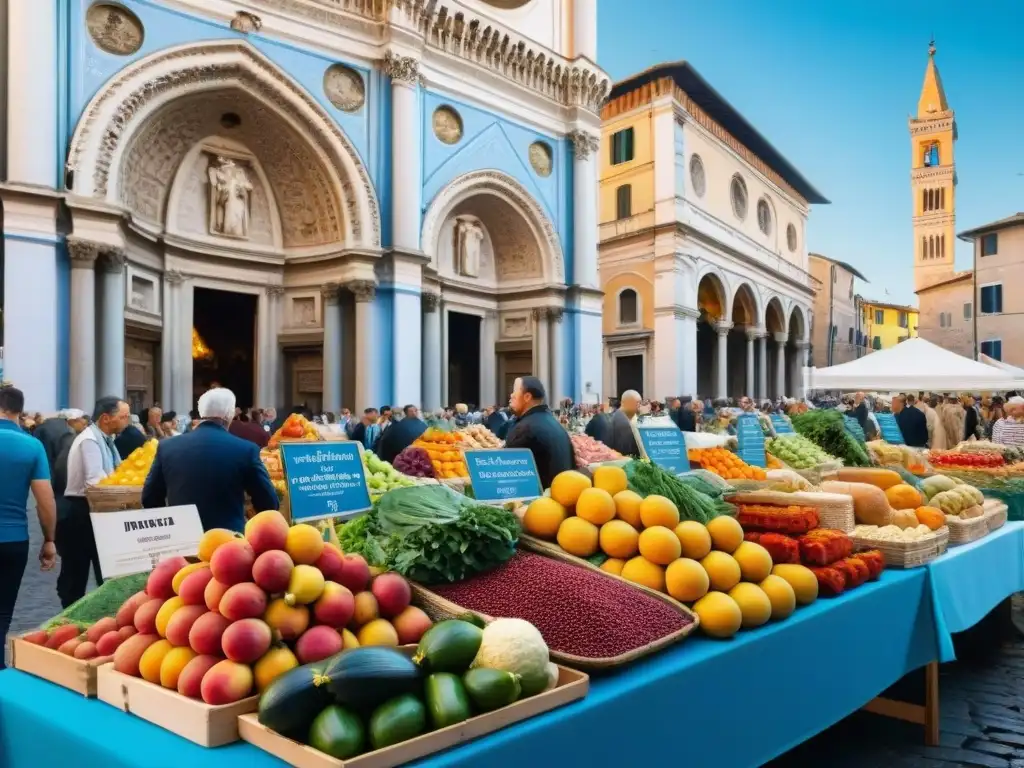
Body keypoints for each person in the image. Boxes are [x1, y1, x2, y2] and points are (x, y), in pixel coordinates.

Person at [143, 388, 278, 532]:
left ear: (202, 413)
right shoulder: (246, 449)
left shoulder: (167, 446)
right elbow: (268, 503)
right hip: (228, 542)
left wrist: (170, 528)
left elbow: (149, 499)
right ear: (229, 414)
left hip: (181, 540)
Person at [0, 387, 57, 668]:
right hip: (13, 539)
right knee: (2, 614)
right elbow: (45, 502)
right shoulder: (31, 445)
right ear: (19, 412)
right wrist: (49, 540)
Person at [60, 395, 131, 607]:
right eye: (123, 416)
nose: (127, 421)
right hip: (83, 511)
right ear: (106, 418)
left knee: (105, 569)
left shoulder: (106, 440)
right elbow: (96, 481)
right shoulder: (90, 440)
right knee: (77, 572)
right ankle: (70, 619)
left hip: (97, 509)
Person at [504, 377, 575, 489]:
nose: (511, 396)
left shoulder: (524, 429)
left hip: (539, 503)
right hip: (559, 497)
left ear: (527, 397)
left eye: (514, 391)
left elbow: (506, 475)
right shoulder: (554, 424)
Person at [605, 390, 641, 457]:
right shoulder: (622, 419)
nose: (639, 405)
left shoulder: (625, 415)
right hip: (626, 458)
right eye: (637, 402)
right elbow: (626, 446)